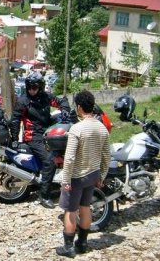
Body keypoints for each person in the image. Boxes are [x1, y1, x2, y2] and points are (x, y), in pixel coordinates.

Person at [56, 90, 111, 257]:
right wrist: (102, 175)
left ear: (79, 107)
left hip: (77, 177)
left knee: (70, 211)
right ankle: (83, 243)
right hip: (93, 174)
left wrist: (66, 180)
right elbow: (106, 155)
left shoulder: (77, 129)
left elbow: (70, 158)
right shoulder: (102, 128)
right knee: (85, 208)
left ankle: (68, 247)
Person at [10, 72, 71, 209]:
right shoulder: (23, 101)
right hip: (34, 137)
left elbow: (61, 100)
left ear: (40, 87)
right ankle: (44, 196)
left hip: (47, 131)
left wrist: (65, 110)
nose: (32, 90)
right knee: (50, 162)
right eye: (30, 87)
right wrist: (14, 139)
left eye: (35, 87)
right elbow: (15, 120)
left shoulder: (46, 97)